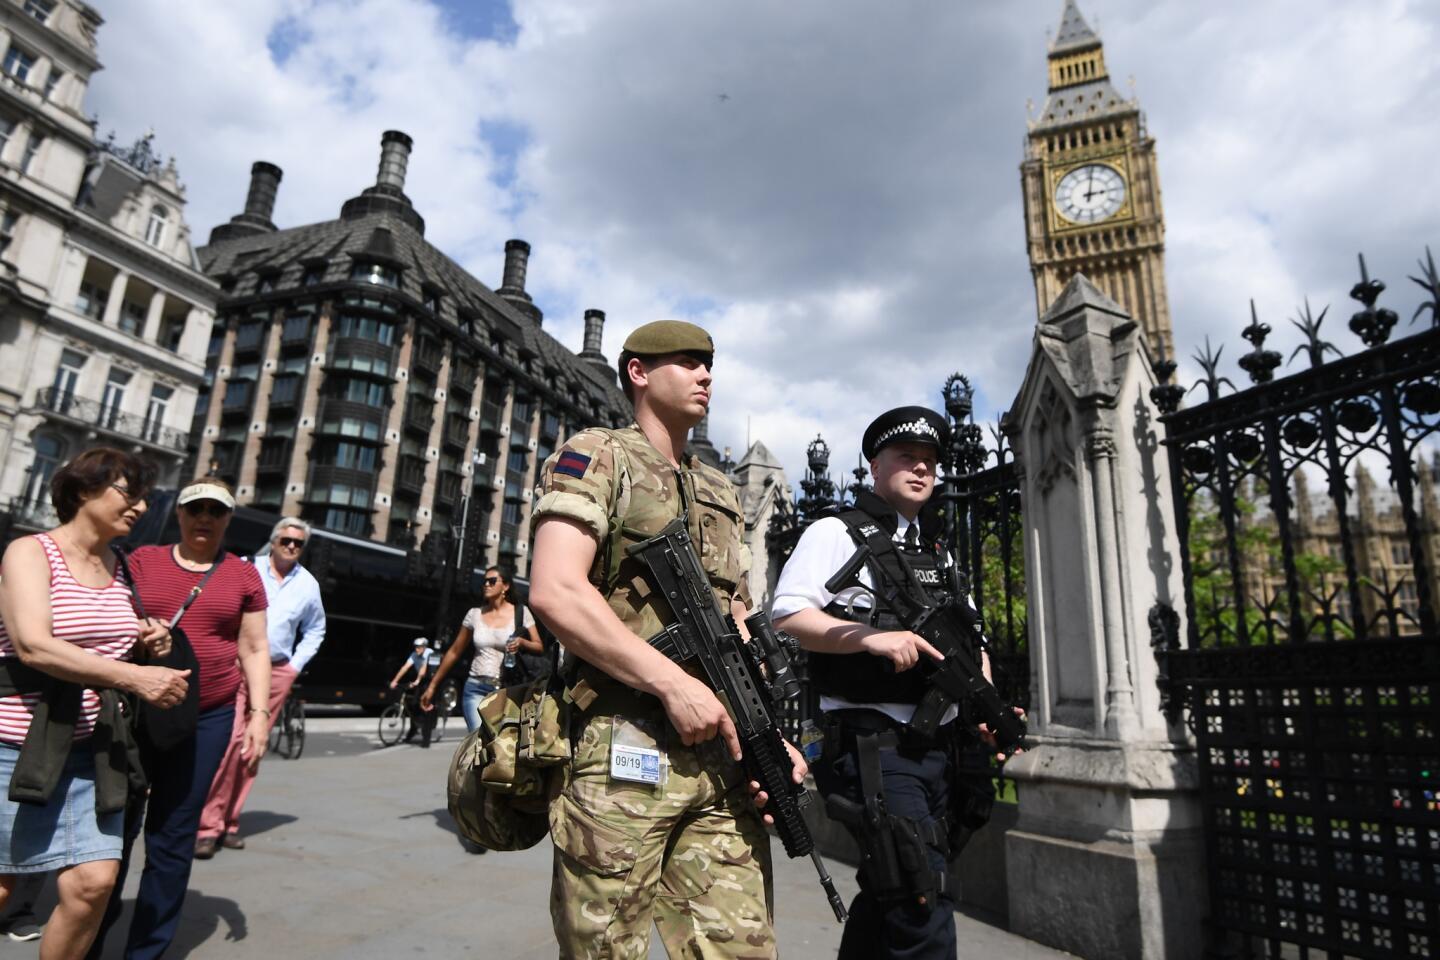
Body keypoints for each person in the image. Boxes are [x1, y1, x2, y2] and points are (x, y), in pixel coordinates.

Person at [528, 319, 804, 958]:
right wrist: (671, 681)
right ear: (639, 373)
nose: (706, 374)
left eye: (710, 363)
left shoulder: (719, 488)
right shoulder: (599, 455)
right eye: (686, 361)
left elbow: (736, 621)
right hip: (623, 751)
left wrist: (770, 734)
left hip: (723, 764)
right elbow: (555, 590)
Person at [773, 406, 1018, 960]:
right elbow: (787, 614)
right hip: (874, 746)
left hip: (941, 749)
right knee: (919, 896)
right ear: (875, 464)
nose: (921, 470)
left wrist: (986, 699)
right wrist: (867, 637)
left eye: (930, 462)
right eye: (907, 457)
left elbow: (971, 639)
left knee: (894, 894)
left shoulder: (939, 553)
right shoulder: (834, 532)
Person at [0, 447, 185, 960]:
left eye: (145, 498)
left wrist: (149, 643)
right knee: (3, 887)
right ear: (83, 490)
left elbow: (104, 645)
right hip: (14, 745)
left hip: (89, 749)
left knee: (94, 884)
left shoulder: (118, 564)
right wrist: (136, 676)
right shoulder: (30, 552)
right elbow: (33, 644)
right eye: (130, 493)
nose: (142, 508)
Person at [88, 477, 270, 960]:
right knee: (112, 833)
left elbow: (253, 647)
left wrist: (258, 714)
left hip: (204, 717)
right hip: (133, 712)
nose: (204, 518)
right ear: (181, 515)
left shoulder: (243, 576)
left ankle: (145, 952)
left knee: (172, 835)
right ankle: (88, 942)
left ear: (229, 518)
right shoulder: (141, 560)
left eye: (216, 510)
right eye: (196, 509)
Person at [195, 517, 326, 857]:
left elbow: (316, 630)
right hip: (236, 666)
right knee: (230, 742)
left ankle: (230, 823)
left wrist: (294, 666)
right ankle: (207, 826)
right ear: (274, 540)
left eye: (299, 543)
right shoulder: (243, 568)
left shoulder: (308, 585)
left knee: (254, 747)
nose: (292, 547)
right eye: (287, 540)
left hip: (277, 671)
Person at [420, 565, 542, 732]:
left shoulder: (521, 612)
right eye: (484, 581)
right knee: (479, 740)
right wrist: (433, 685)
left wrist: (522, 642)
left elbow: (539, 646)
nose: (486, 585)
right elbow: (455, 651)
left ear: (505, 586)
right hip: (475, 687)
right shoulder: (474, 614)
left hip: (506, 689)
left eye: (492, 581)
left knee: (500, 746)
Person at [388, 638, 436, 747]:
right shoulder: (414, 654)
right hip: (420, 680)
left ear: (424, 647)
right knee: (414, 705)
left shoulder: (430, 653)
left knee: (426, 706)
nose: (416, 649)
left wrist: (417, 681)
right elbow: (405, 668)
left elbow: (423, 669)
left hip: (431, 681)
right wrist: (395, 681)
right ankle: (413, 730)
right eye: (415, 647)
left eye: (419, 647)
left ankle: (426, 739)